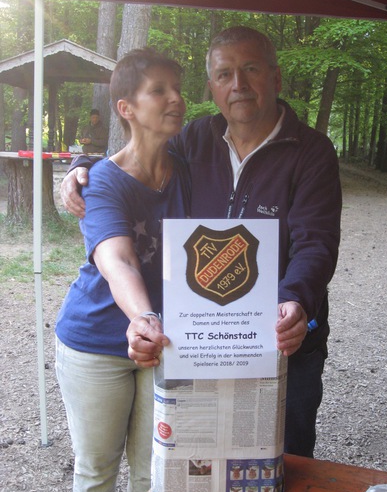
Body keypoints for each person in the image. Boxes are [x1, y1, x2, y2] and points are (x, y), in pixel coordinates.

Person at [61, 26, 341, 460]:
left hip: (282, 336)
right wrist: (84, 167)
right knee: (204, 457)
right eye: (225, 74)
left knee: (284, 460)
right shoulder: (194, 140)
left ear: (276, 78)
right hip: (204, 338)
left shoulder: (311, 151)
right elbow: (136, 156)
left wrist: (296, 299)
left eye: (251, 69)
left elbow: (316, 242)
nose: (238, 84)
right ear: (212, 87)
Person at [55, 48, 189, 492]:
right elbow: (118, 261)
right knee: (97, 462)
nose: (175, 99)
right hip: (95, 340)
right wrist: (145, 318)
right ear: (126, 108)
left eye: (177, 89)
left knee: (155, 462)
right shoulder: (103, 181)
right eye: (159, 90)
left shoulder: (191, 168)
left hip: (163, 342)